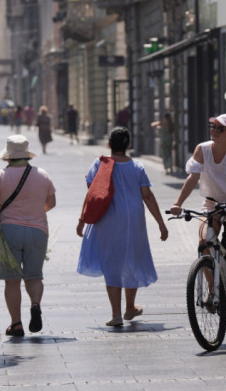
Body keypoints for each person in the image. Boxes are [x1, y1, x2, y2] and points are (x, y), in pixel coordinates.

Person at [76, 128, 169, 326]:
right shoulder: (137, 166)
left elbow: (92, 194)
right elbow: (147, 196)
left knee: (112, 263)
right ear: (128, 145)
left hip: (109, 219)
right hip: (134, 219)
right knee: (132, 260)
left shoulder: (100, 164)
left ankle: (116, 314)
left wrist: (82, 220)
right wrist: (161, 223)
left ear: (109, 144)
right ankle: (130, 307)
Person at [169, 114, 226, 301]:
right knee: (203, 244)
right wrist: (178, 204)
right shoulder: (202, 149)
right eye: (213, 126)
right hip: (211, 202)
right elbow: (192, 178)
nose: (214, 130)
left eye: (220, 128)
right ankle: (212, 290)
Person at [0, 135, 57, 337]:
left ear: (8, 157)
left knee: (12, 280)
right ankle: (35, 303)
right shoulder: (42, 175)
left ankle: (16, 324)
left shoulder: (1, 176)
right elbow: (51, 203)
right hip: (38, 231)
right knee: (34, 276)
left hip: (9, 231)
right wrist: (34, 211)